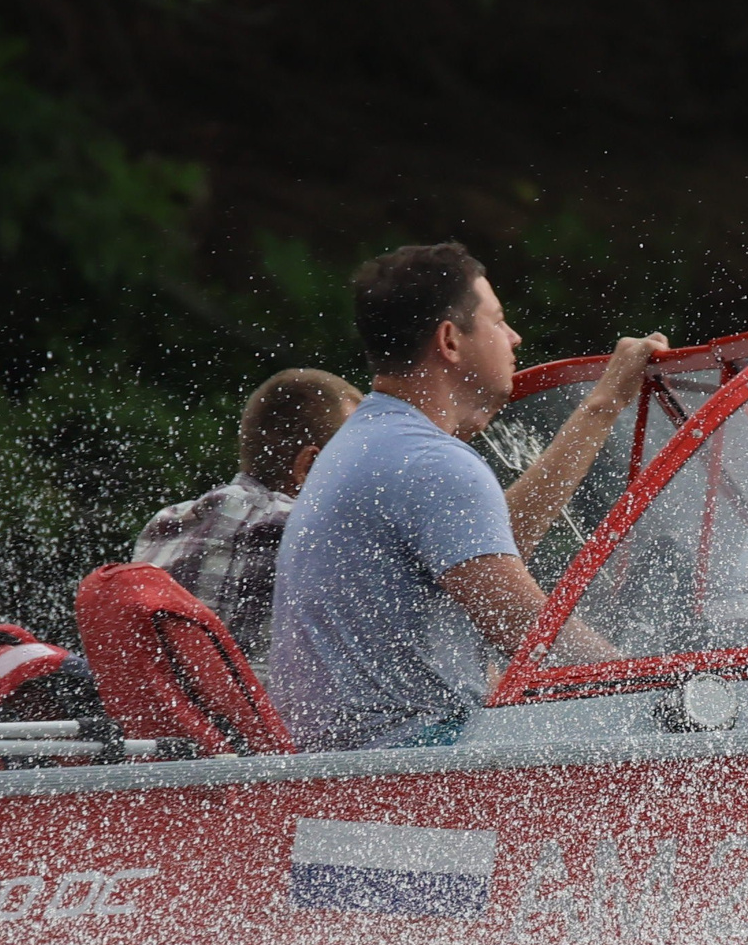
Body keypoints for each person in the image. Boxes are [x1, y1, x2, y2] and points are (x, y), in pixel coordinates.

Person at [270, 241, 663, 752]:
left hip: (348, 761)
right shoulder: (432, 463)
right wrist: (659, 686)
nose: (515, 337)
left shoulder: (371, 439)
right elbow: (528, 632)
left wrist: (603, 404)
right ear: (450, 340)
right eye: (498, 321)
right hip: (408, 762)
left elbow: (498, 544)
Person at [131, 367, 359, 678]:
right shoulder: (299, 530)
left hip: (162, 723)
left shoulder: (164, 525)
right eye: (356, 462)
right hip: (266, 723)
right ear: (309, 466)